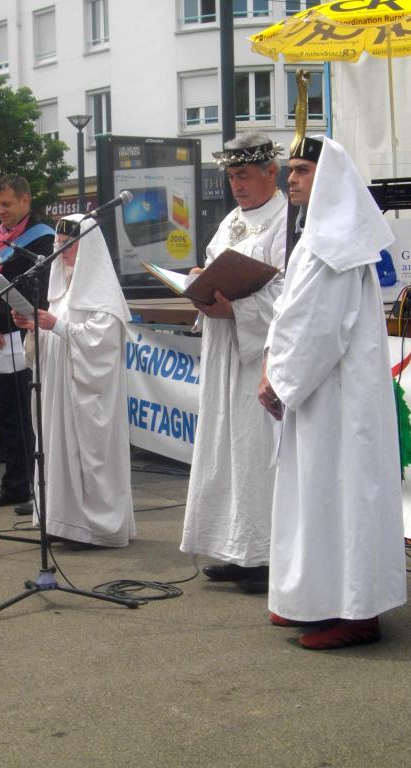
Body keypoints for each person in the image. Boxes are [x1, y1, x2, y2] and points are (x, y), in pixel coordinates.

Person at [258, 135, 407, 649]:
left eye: (301, 169)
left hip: (337, 394)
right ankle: (312, 598)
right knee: (315, 492)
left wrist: (279, 379)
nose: (291, 178)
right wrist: (274, 367)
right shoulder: (320, 237)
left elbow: (317, 328)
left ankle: (356, 612)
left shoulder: (335, 244)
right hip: (320, 390)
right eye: (291, 169)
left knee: (341, 492)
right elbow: (292, 316)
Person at [179, 133, 287, 593]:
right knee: (227, 450)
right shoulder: (230, 221)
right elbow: (213, 265)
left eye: (244, 175)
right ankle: (236, 548)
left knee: (257, 451)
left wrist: (237, 310)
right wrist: (198, 281)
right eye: (231, 176)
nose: (236, 185)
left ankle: (266, 555)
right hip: (226, 350)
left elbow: (290, 292)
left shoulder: (287, 220)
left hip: (260, 352)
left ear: (271, 173)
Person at [12, 214, 135, 548]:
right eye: (59, 245)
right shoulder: (61, 291)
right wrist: (33, 326)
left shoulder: (103, 295)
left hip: (84, 393)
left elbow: (103, 344)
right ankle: (60, 520)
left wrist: (57, 326)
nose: (61, 252)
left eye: (69, 245)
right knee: (54, 450)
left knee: (86, 454)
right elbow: (50, 337)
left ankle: (92, 528)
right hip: (56, 389)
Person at [0, 174, 55, 512]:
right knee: (8, 412)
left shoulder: (42, 241)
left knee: (28, 414)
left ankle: (36, 488)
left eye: (6, 204)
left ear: (25, 200)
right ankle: (14, 483)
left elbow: (37, 290)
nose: (1, 211)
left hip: (22, 335)